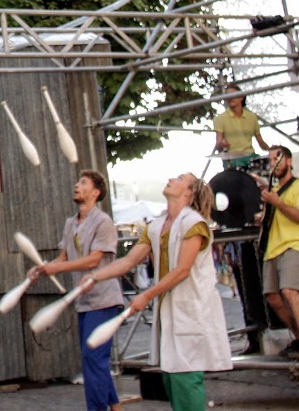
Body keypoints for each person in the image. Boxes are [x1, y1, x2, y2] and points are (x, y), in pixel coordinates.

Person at [85, 174, 231, 411]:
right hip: (170, 312)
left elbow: (183, 269)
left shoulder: (194, 224)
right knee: (171, 378)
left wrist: (147, 294)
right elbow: (130, 260)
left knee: (185, 378)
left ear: (189, 192)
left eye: (181, 178)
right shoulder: (155, 226)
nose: (172, 178)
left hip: (192, 309)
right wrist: (95, 276)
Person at [30, 170, 124, 411]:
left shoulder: (104, 223)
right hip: (84, 302)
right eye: (77, 182)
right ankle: (116, 408)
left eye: (83, 183)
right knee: (94, 360)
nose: (76, 185)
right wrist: (43, 268)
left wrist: (57, 269)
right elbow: (63, 256)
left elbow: (93, 261)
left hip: (104, 300)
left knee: (93, 358)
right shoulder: (70, 224)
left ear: (95, 192)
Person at [260, 145, 299, 362]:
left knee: (290, 291)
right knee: (274, 297)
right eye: (270, 159)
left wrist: (278, 203)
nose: (273, 162)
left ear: (289, 161)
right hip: (273, 247)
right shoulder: (274, 191)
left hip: (294, 244)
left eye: (277, 157)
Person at [212, 85, 269, 169]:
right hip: (232, 160)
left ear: (241, 97)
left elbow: (260, 141)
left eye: (233, 95)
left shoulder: (252, 117)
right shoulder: (220, 118)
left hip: (250, 157)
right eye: (227, 96)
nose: (230, 98)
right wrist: (222, 144)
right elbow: (218, 144)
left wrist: (272, 150)